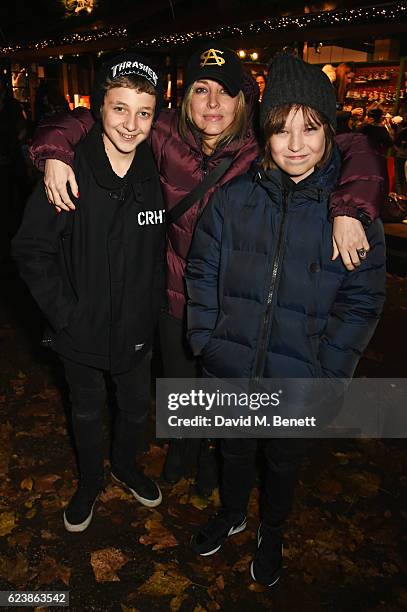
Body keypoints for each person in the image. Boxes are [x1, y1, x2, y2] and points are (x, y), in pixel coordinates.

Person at [29, 45, 384, 496]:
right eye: (201, 89)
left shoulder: (264, 145)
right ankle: (182, 450)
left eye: (226, 91)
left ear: (244, 102)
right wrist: (56, 152)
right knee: (180, 385)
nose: (213, 103)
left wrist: (350, 206)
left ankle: (211, 458)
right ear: (184, 99)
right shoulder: (160, 132)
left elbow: (350, 145)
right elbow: (101, 117)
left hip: (238, 302)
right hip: (172, 292)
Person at [185, 54, 386, 586]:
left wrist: (329, 374)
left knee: (282, 462)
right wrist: (205, 338)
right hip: (232, 364)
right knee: (233, 448)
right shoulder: (233, 200)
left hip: (300, 375)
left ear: (330, 132)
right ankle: (231, 514)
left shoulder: (348, 216)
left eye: (311, 129)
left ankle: (271, 529)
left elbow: (362, 300)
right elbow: (202, 265)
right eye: (281, 130)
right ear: (265, 134)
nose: (296, 144)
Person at [12, 53, 166, 533]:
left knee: (136, 406)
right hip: (80, 327)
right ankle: (90, 482)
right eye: (119, 108)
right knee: (84, 408)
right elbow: (30, 248)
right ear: (99, 107)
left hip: (139, 328)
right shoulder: (69, 169)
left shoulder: (160, 174)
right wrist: (66, 313)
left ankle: (125, 465)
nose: (130, 123)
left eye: (143, 112)